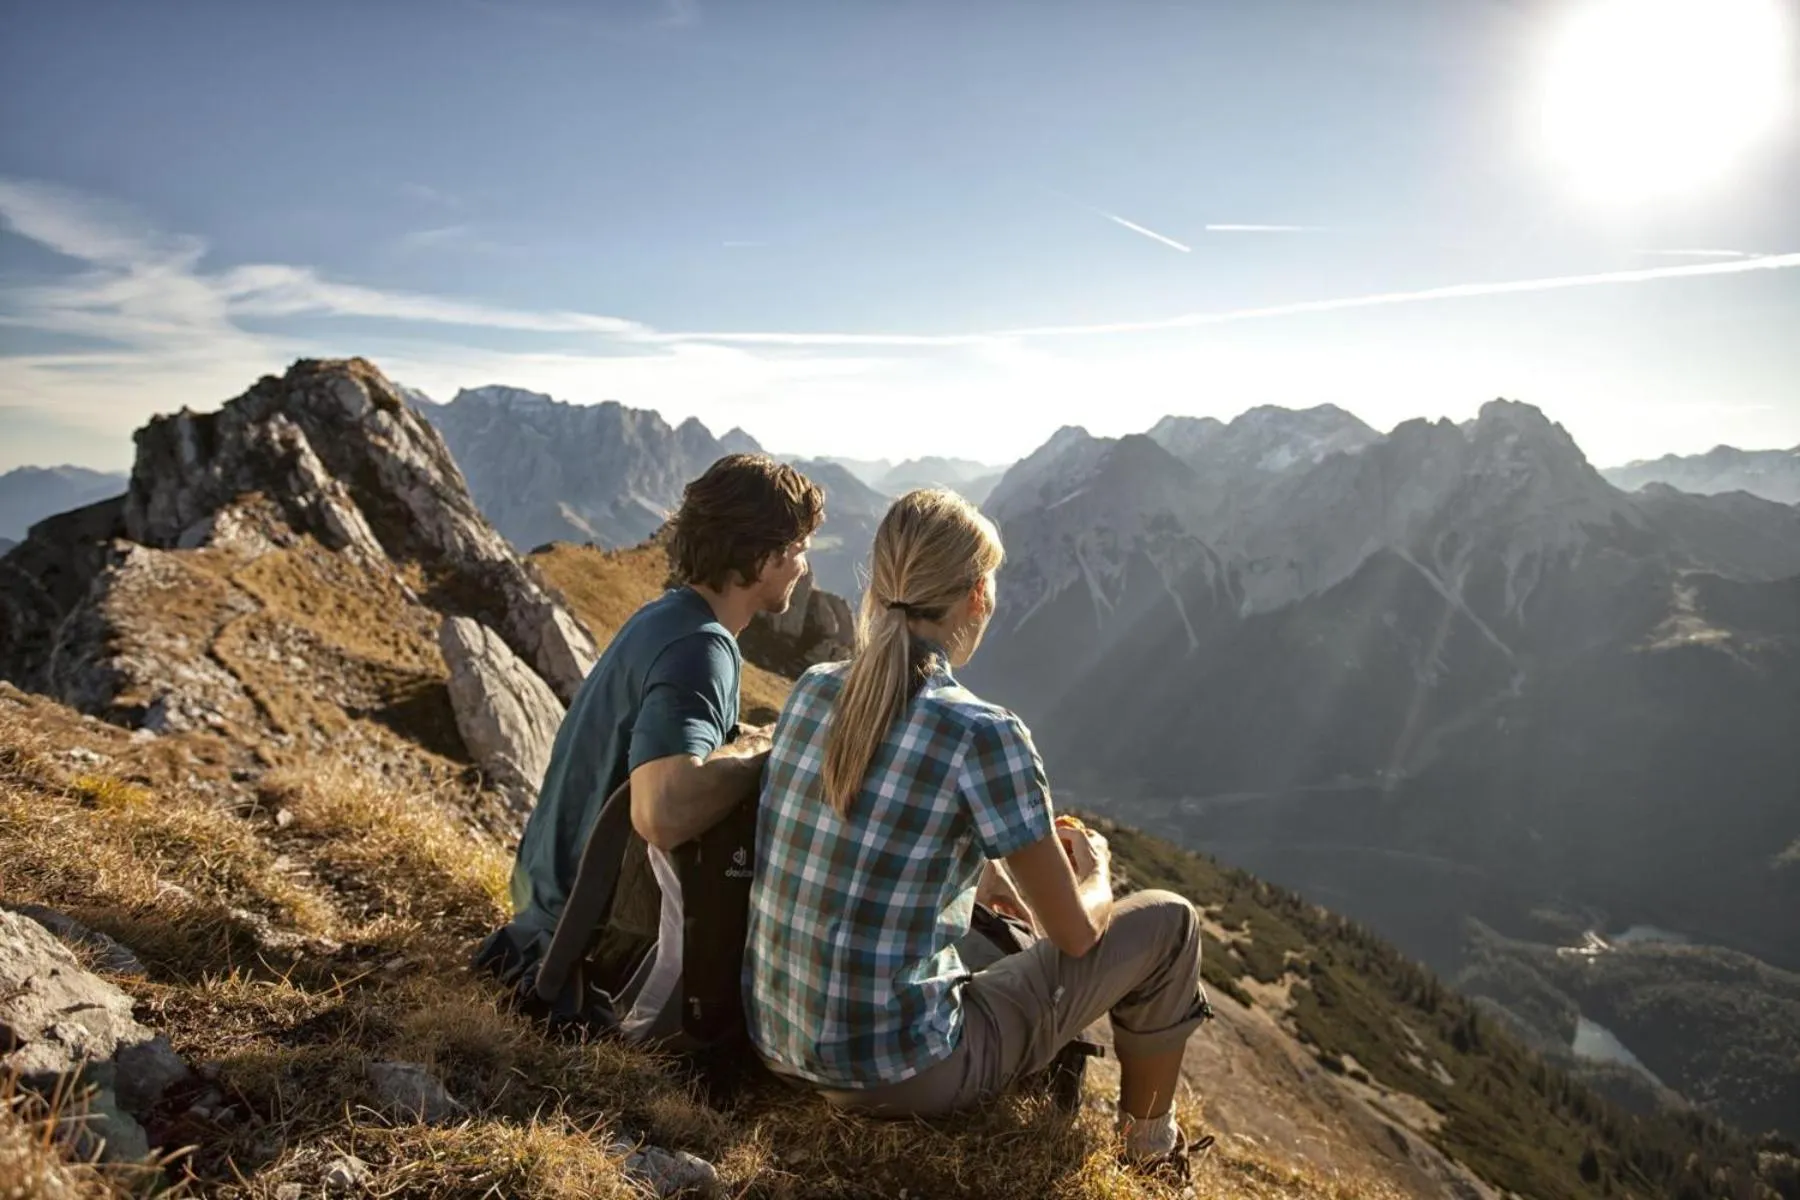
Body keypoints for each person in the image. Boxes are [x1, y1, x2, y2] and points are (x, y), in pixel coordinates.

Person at [744, 488, 1211, 1173]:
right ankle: (1150, 1157)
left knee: (988, 931)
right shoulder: (983, 733)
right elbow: (1076, 936)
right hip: (895, 1072)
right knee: (1172, 923)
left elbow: (878, 837)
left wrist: (986, 880)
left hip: (777, 1042)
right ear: (976, 598)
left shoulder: (815, 688)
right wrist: (1096, 872)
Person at [476, 453, 824, 1039]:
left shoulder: (664, 617)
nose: (803, 566)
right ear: (765, 558)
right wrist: (771, 755)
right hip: (586, 946)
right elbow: (662, 812)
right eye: (798, 550)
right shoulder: (700, 648)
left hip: (545, 911)